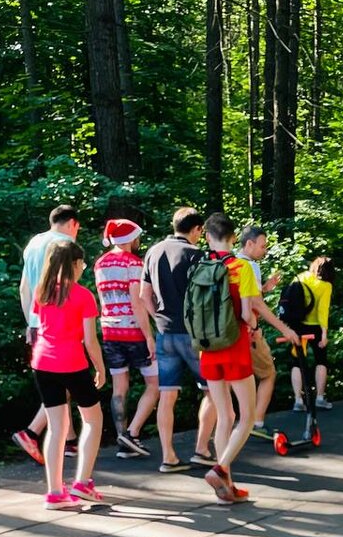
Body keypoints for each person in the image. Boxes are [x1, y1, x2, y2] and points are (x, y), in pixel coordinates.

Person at [30, 239, 107, 506]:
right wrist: (100, 367)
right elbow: (90, 339)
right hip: (72, 363)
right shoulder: (83, 295)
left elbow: (41, 325)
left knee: (56, 427)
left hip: (42, 363)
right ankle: (82, 483)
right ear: (74, 264)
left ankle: (54, 492)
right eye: (81, 264)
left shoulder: (41, 291)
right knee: (93, 420)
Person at [140, 207, 216, 473]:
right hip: (194, 335)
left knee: (167, 396)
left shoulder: (153, 251)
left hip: (165, 334)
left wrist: (158, 319)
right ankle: (202, 449)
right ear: (196, 230)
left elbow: (144, 295)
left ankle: (168, 456)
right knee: (213, 391)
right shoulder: (196, 255)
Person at [195, 213, 261, 505]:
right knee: (247, 416)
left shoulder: (201, 266)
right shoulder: (241, 267)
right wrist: (256, 328)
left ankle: (227, 488)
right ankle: (220, 469)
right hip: (235, 346)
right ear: (234, 237)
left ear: (208, 236)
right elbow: (247, 314)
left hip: (208, 348)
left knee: (225, 416)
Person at [11, 204, 81, 465]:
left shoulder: (34, 243)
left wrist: (31, 321)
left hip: (37, 322)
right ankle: (31, 432)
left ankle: (70, 441)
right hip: (59, 322)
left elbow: (24, 287)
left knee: (55, 380)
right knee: (65, 381)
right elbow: (69, 289)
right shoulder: (64, 245)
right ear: (72, 223)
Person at [93, 219, 158, 457]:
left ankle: (123, 441)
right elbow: (138, 302)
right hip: (133, 332)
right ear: (131, 239)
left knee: (119, 388)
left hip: (110, 331)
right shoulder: (133, 263)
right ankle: (132, 432)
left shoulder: (100, 263)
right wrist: (149, 336)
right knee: (155, 384)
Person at [235, 225, 298, 434]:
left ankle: (225, 428)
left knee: (228, 381)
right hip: (250, 331)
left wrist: (264, 288)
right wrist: (284, 329)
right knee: (268, 373)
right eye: (263, 246)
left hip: (228, 332)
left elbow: (246, 295)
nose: (265, 250)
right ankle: (256, 422)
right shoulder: (250, 266)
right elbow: (256, 304)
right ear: (249, 244)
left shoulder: (229, 262)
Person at [289, 256, 334, 410]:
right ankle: (320, 397)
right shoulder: (325, 286)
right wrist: (324, 334)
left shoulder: (301, 277)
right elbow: (323, 311)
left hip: (297, 326)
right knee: (321, 360)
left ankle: (298, 400)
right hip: (315, 328)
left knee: (297, 361)